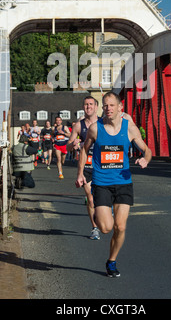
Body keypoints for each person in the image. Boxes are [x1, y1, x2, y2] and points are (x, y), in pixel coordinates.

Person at [75, 91, 152, 278]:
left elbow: (147, 150)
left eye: (111, 105)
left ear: (120, 107)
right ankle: (98, 211)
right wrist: (80, 173)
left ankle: (111, 261)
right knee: (106, 228)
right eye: (105, 105)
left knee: (121, 227)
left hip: (124, 182)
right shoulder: (95, 128)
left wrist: (145, 159)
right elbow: (84, 151)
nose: (108, 108)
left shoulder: (129, 128)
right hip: (101, 183)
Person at [67, 96, 102, 240]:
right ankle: (95, 228)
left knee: (103, 196)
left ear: (96, 107)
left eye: (91, 104)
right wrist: (73, 144)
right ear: (83, 107)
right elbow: (68, 146)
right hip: (86, 165)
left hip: (103, 165)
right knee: (91, 198)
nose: (88, 107)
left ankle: (107, 207)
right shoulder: (78, 125)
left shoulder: (103, 123)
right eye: (86, 104)